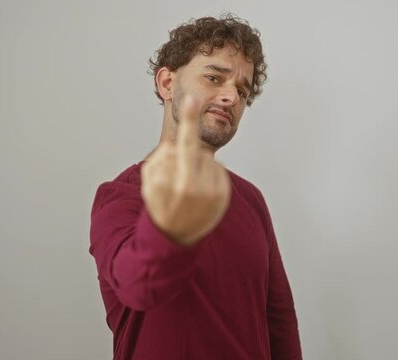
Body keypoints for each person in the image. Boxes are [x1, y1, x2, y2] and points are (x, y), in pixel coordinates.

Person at [89, 14, 302, 360]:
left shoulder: (251, 200)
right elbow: (136, 286)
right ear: (167, 83)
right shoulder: (120, 196)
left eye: (242, 90)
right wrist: (170, 228)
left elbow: (279, 321)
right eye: (214, 77)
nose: (231, 96)